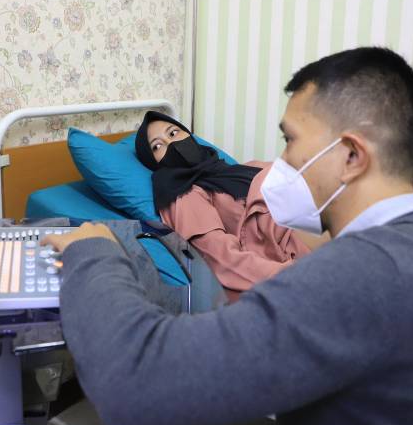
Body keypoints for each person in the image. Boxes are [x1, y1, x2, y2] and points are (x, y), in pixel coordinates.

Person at [42, 47, 413, 425]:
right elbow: (222, 255)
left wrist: (95, 251)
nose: (282, 162)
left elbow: (135, 382)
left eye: (291, 140)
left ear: (351, 155)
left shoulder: (350, 279)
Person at [134, 110, 315, 292]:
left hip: (316, 228)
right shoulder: (185, 195)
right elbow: (223, 260)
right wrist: (297, 277)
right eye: (157, 146)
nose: (172, 143)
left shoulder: (245, 168)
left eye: (173, 133)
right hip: (301, 262)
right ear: (151, 161)